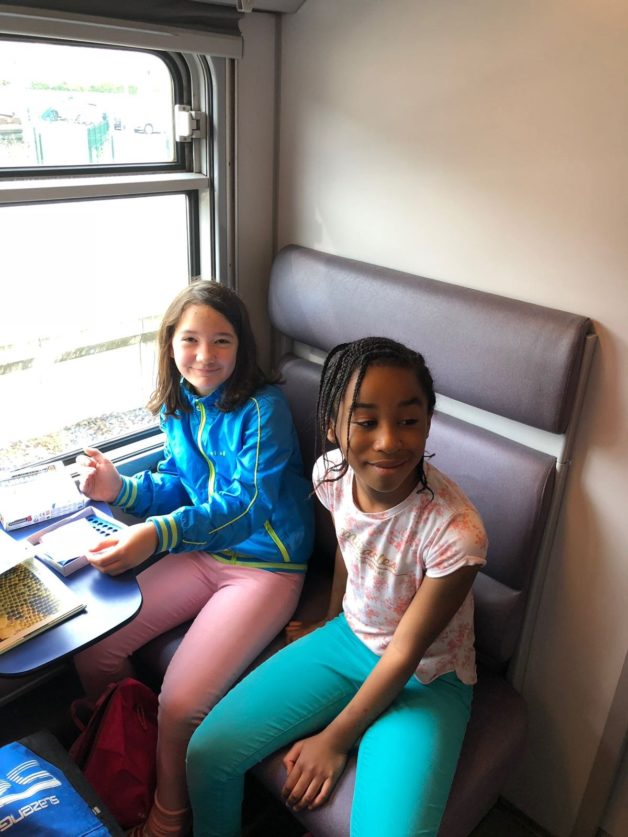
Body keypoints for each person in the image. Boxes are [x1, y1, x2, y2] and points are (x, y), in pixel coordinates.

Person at [186, 336, 489, 837]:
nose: (388, 441)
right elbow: (352, 549)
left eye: (408, 421)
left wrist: (334, 739)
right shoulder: (330, 474)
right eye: (365, 422)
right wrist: (330, 619)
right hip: (350, 639)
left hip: (427, 678)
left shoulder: (457, 532)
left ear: (428, 422)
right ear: (332, 425)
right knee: (207, 753)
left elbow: (406, 653)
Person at [73, 281, 314, 837]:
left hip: (264, 566)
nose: (205, 355)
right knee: (96, 649)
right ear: (170, 344)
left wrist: (157, 536)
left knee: (181, 704)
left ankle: (167, 819)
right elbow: (181, 483)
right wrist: (119, 489)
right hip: (202, 550)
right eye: (190, 340)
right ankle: (125, 757)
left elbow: (248, 504)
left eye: (221, 341)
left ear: (241, 346)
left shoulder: (264, 409)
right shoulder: (179, 404)